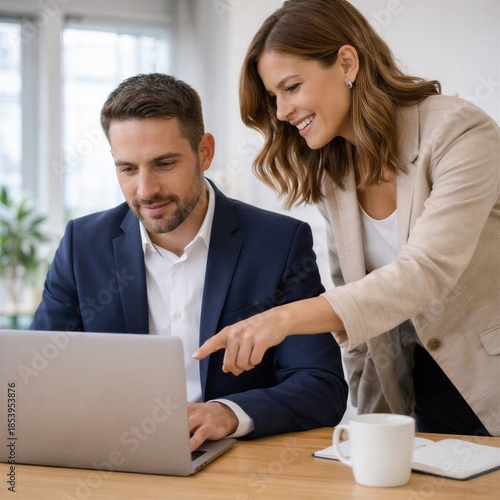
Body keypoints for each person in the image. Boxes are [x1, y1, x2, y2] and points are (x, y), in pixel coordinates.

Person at [194, 0, 500, 437]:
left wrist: (280, 319)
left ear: (346, 62)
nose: (281, 112)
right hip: (426, 386)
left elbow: (427, 272)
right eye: (273, 97)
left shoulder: (459, 133)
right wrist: (368, 423)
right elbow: (358, 314)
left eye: (292, 87)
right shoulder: (335, 172)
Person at [31, 73, 348, 451]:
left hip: (234, 464)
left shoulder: (278, 243)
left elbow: (321, 385)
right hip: (114, 458)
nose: (146, 190)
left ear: (205, 152)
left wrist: (227, 414)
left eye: (164, 164)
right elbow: (38, 375)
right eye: (128, 169)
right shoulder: (82, 245)